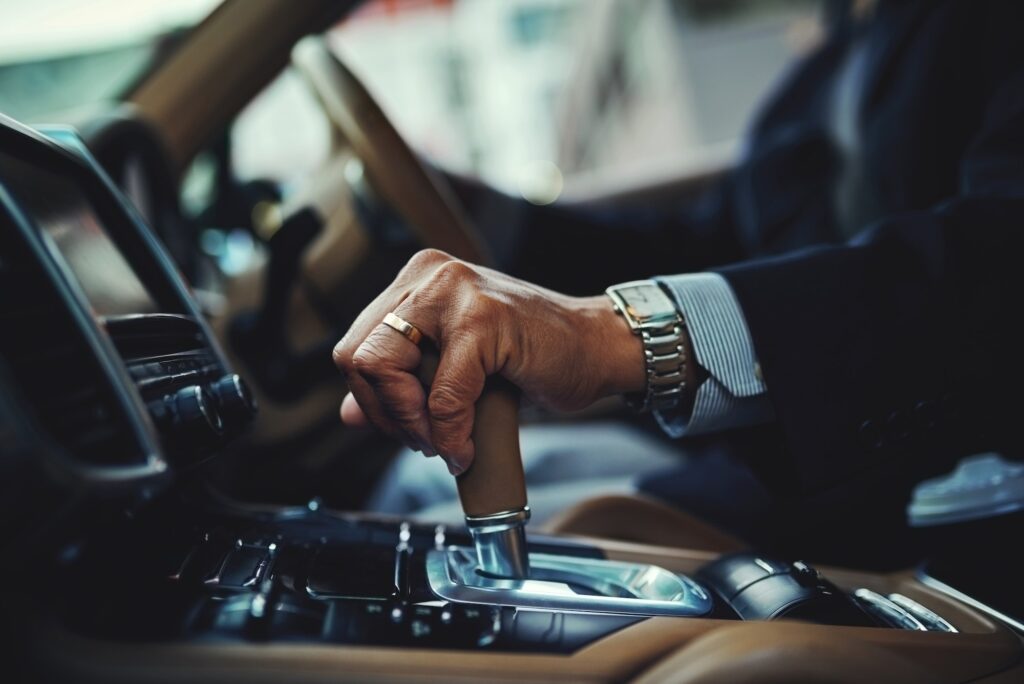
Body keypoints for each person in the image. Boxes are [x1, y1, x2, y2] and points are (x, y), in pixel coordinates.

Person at [332, 0, 1024, 567]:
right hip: (778, 451)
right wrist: (486, 215)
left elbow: (994, 264)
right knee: (414, 492)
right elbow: (710, 241)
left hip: (912, 477)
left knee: (422, 522)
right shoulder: (832, 60)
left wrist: (615, 337)